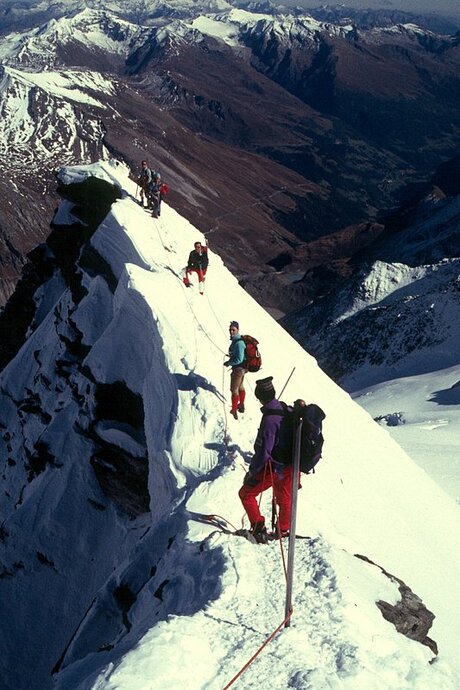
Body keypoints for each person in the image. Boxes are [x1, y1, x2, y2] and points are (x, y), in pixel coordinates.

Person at [238, 376, 294, 544]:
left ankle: (258, 528)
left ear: (259, 397)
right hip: (290, 466)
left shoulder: (270, 419)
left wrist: (252, 471)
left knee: (246, 494)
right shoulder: (286, 409)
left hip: (274, 467)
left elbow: (264, 451)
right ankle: (282, 530)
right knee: (283, 497)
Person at [223, 321, 247, 420]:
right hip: (243, 368)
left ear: (237, 330)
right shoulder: (238, 340)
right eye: (230, 329)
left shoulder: (238, 343)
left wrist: (229, 362)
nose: (231, 331)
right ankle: (241, 405)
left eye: (233, 330)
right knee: (241, 387)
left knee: (234, 390)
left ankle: (234, 410)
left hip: (238, 369)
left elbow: (239, 359)